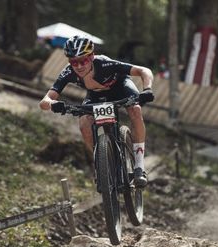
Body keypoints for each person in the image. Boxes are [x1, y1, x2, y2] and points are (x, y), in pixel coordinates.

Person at [39, 35, 154, 188]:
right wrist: (53, 104)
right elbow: (44, 101)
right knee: (84, 124)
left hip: (120, 87)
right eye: (74, 62)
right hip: (95, 95)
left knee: (135, 110)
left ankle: (140, 166)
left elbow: (143, 70)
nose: (79, 66)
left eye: (83, 60)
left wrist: (147, 89)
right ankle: (101, 163)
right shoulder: (68, 73)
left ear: (92, 56)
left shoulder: (104, 64)